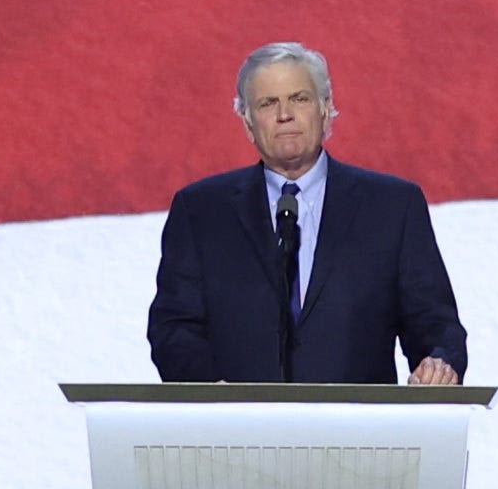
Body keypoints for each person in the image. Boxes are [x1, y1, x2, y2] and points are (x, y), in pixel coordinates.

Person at [149, 40, 469, 385]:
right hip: (239, 430)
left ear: (325, 108)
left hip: (359, 430)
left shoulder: (392, 206)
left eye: (299, 99)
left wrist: (438, 364)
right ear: (247, 121)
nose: (284, 114)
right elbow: (174, 328)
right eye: (268, 103)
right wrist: (213, 393)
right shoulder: (201, 212)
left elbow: (435, 324)